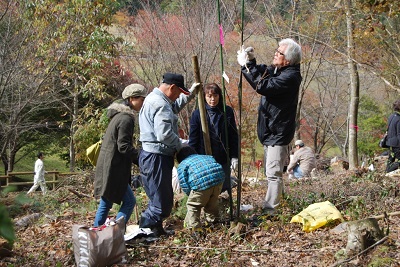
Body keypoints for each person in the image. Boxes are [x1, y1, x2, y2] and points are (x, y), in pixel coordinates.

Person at [237, 38, 302, 215]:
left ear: (287, 60)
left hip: (278, 132)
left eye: (279, 53)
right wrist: (250, 62)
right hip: (271, 130)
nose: (275, 53)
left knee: (273, 173)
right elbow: (264, 71)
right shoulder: (280, 70)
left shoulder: (290, 77)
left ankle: (271, 211)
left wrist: (245, 68)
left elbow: (263, 86)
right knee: (271, 172)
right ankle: (275, 205)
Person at [138, 72, 200, 237]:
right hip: (156, 157)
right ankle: (146, 231)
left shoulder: (157, 99)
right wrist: (180, 145)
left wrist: (191, 94)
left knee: (159, 197)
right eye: (179, 92)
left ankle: (155, 230)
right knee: (161, 201)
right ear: (172, 87)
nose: (178, 96)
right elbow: (164, 134)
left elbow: (174, 107)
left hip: (152, 156)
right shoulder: (160, 104)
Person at [93, 83, 147, 227]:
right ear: (131, 99)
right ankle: (114, 233)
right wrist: (141, 158)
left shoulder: (119, 116)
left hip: (110, 166)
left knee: (106, 203)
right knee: (129, 202)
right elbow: (123, 146)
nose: (143, 102)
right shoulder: (126, 119)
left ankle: (97, 235)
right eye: (141, 99)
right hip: (114, 169)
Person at [188, 83, 239, 193]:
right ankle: (209, 209)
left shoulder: (227, 111)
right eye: (209, 96)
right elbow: (193, 138)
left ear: (219, 96)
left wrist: (234, 155)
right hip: (204, 158)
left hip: (223, 156)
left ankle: (224, 208)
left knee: (224, 186)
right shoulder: (198, 114)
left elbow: (233, 135)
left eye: (215, 96)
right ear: (204, 97)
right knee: (207, 188)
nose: (212, 99)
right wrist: (192, 158)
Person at [176, 146, 225, 228]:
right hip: (218, 180)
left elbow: (184, 183)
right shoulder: (206, 157)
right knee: (211, 203)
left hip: (200, 185)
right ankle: (215, 222)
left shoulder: (182, 165)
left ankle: (194, 229)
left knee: (193, 206)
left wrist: (190, 194)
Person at [385, 99, 400, 173]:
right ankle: (388, 171)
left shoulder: (391, 116)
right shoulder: (399, 119)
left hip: (389, 142)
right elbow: (399, 134)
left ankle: (387, 172)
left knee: (390, 160)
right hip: (397, 144)